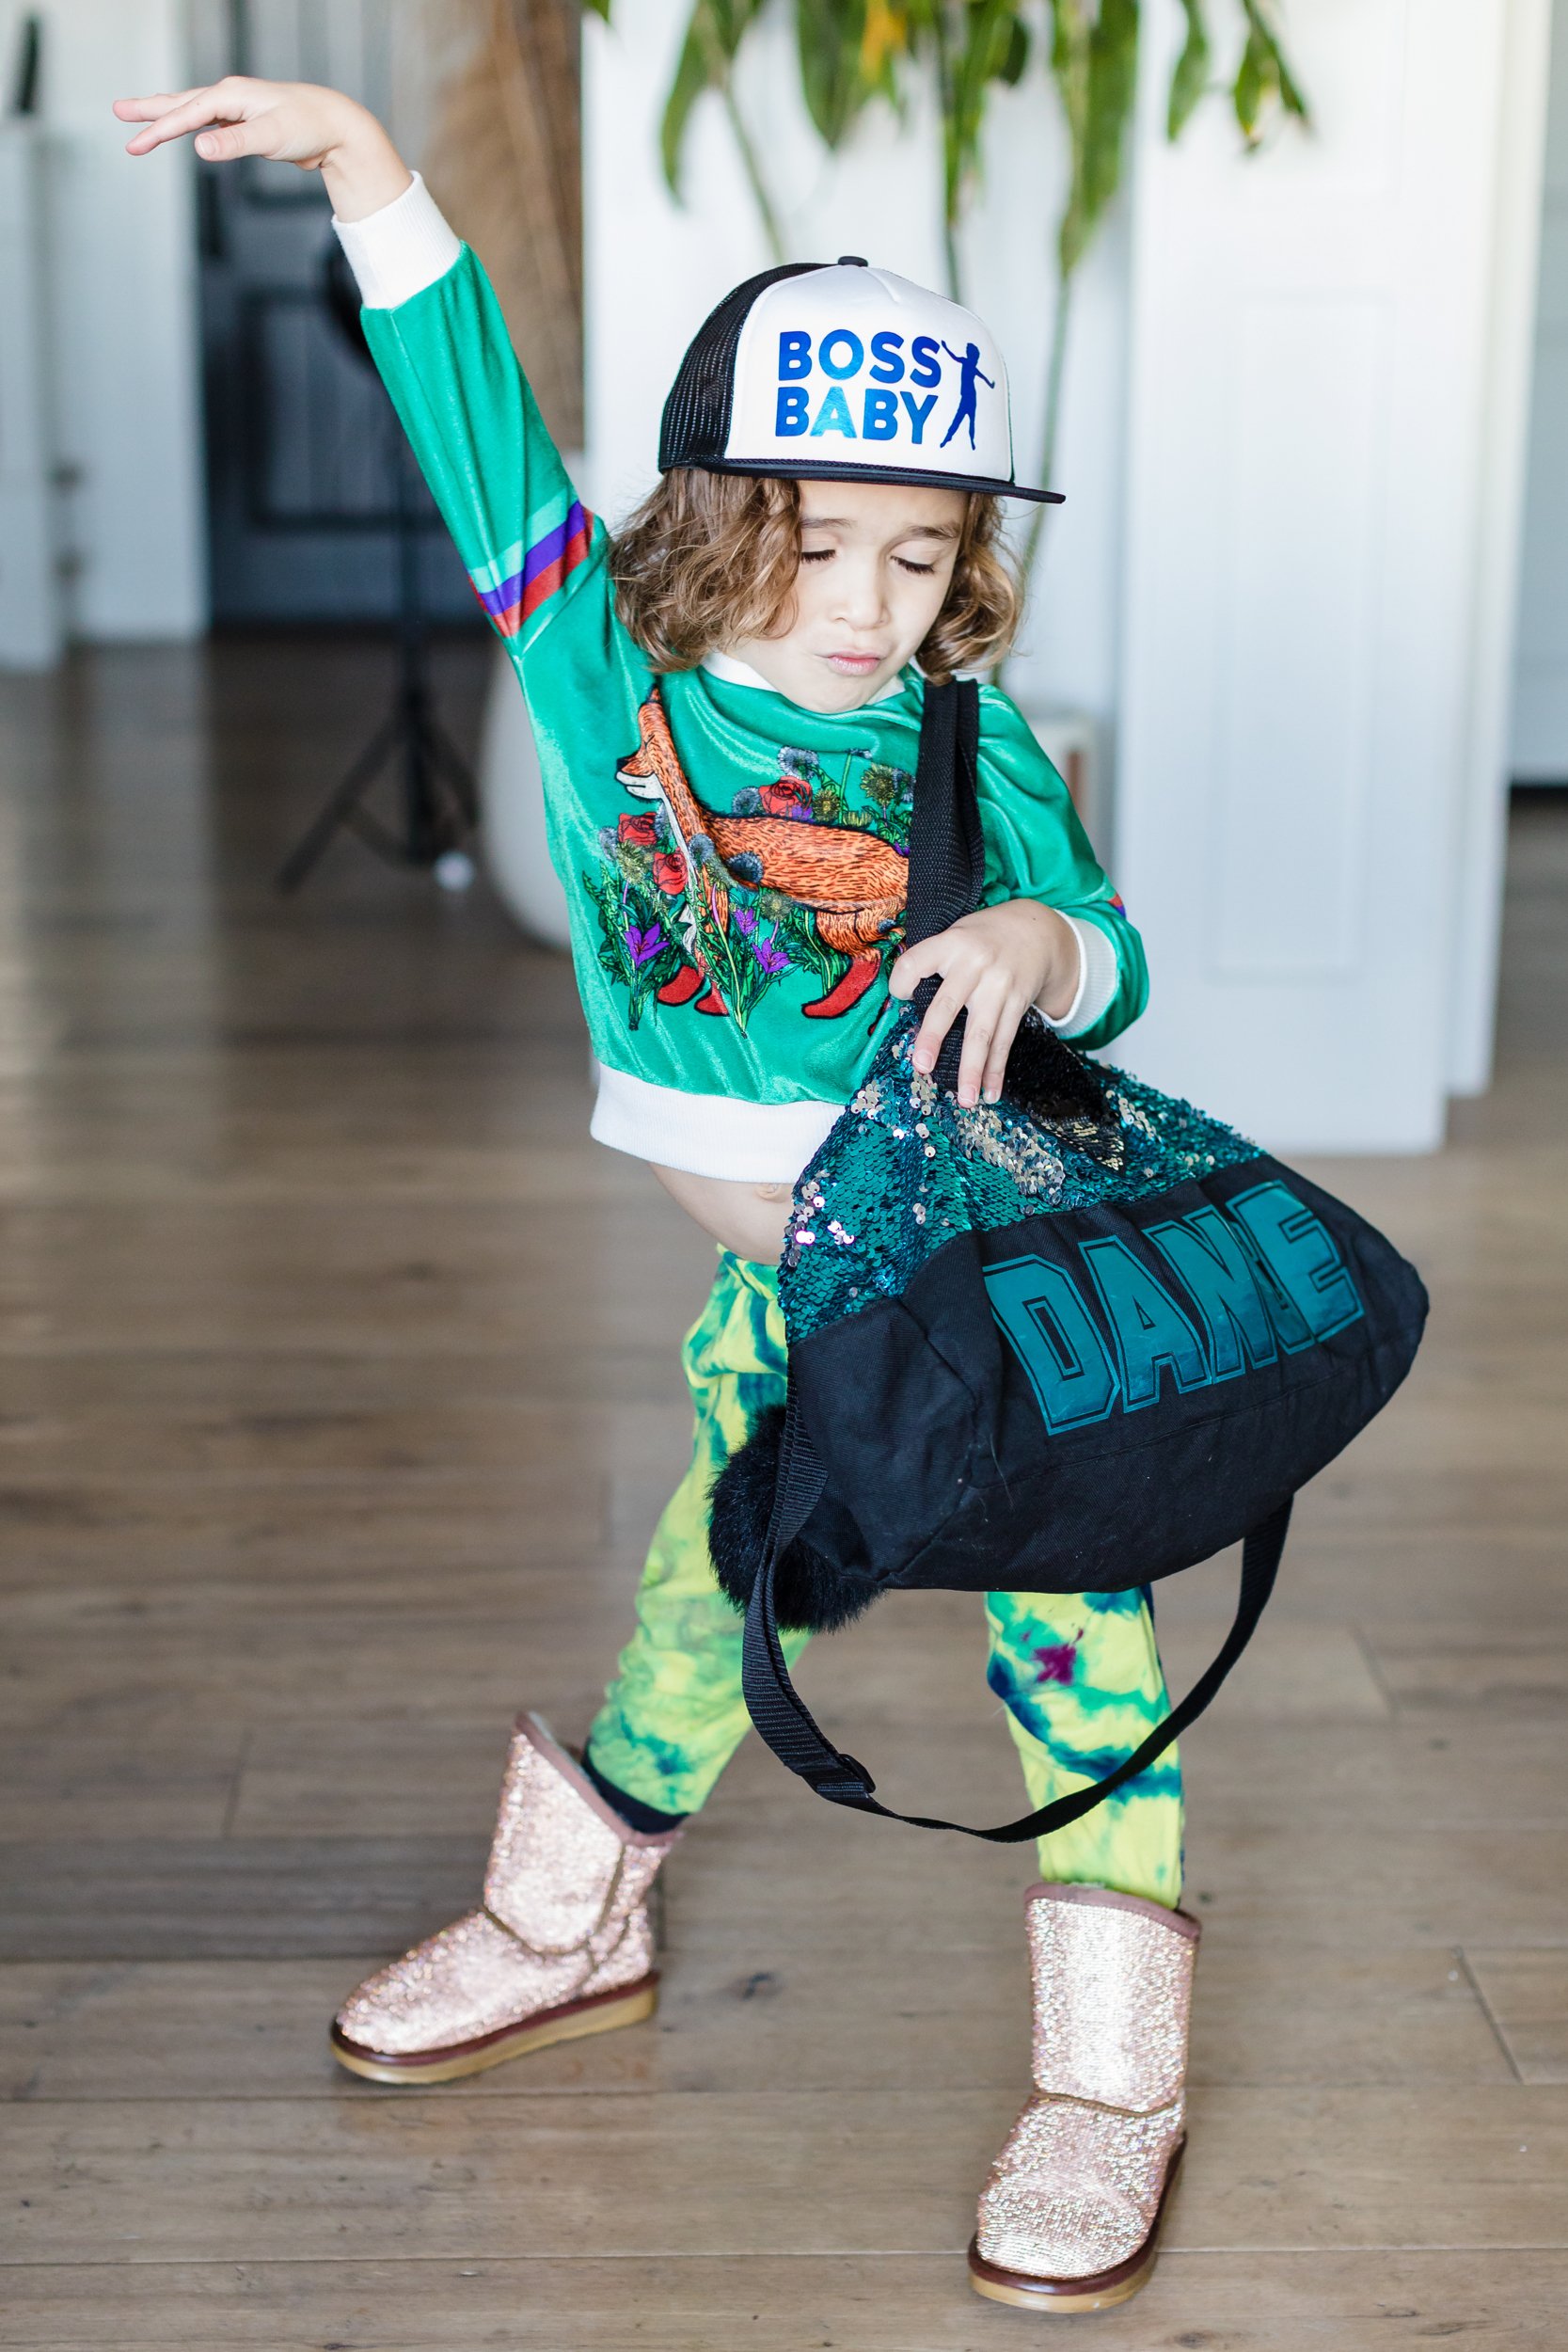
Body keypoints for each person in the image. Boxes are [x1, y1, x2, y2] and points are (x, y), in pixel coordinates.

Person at [119, 74, 1199, 2316]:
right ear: (722, 520)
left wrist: (1042, 941)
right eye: (822, 546)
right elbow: (479, 431)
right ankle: (567, 1921)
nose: (875, 603)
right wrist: (370, 179)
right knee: (703, 1611)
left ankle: (1113, 2079)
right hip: (775, 1314)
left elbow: (1115, 941)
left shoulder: (959, 733)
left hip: (984, 1296)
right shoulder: (589, 663)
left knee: (1080, 1661)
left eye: (926, 556)